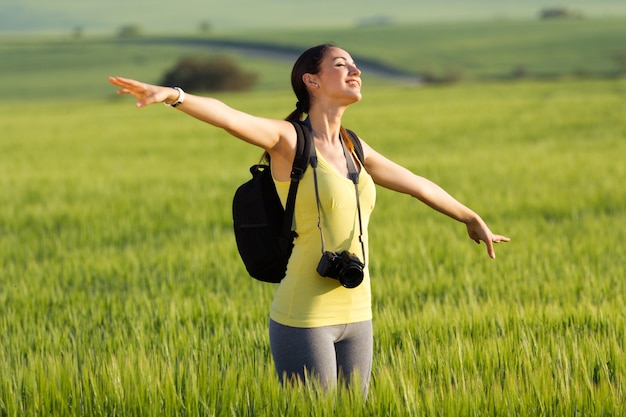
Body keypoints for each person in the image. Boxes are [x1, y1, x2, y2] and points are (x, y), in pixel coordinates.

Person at [108, 43, 509, 397]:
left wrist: (470, 217)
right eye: (341, 64)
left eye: (355, 64)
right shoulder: (289, 141)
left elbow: (418, 185)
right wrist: (173, 96)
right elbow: (229, 116)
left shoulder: (354, 147)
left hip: (359, 312)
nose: (355, 70)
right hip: (305, 316)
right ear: (312, 81)